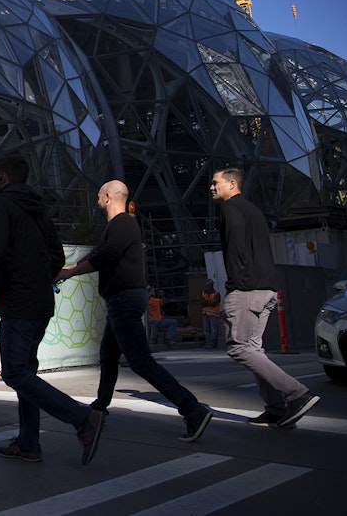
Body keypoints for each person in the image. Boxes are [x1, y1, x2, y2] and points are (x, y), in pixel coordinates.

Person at [58, 180, 212, 442]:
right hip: (120, 301)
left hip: (124, 300)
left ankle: (191, 409)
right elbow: (96, 253)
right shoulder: (116, 226)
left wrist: (69, 273)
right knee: (108, 356)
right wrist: (67, 271)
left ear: (107, 197)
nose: (96, 199)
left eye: (98, 195)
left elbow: (103, 256)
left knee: (141, 362)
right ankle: (98, 408)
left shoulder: (123, 223)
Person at [0, 155, 104, 466]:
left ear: (4, 177)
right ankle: (28, 443)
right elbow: (57, 255)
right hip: (40, 301)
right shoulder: (38, 210)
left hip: (17, 302)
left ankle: (82, 419)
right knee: (26, 372)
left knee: (14, 372)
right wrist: (39, 279)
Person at [210, 167, 320, 428]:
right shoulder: (252, 210)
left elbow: (236, 248)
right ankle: (276, 409)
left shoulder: (230, 208)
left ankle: (297, 394)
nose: (211, 187)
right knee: (254, 350)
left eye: (215, 183)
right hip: (267, 288)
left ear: (232, 184)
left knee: (238, 348)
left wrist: (236, 284)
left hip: (247, 289)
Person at [200, 279, 224, 349]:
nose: (208, 286)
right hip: (205, 314)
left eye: (209, 285)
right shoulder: (203, 293)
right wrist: (209, 302)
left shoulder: (216, 294)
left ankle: (213, 343)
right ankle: (208, 343)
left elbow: (214, 303)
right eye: (207, 285)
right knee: (206, 329)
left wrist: (206, 302)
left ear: (212, 285)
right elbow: (202, 303)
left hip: (213, 315)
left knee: (214, 329)